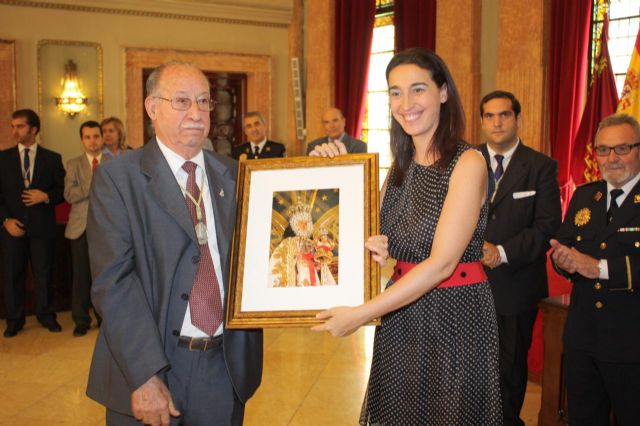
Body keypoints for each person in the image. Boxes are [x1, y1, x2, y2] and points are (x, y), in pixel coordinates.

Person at [312, 48, 502, 424]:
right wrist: (330, 174)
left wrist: (361, 315)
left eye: (418, 89)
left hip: (454, 317)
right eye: (395, 92)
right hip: (401, 316)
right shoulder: (399, 167)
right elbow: (360, 238)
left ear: (443, 92)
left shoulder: (468, 162)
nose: (405, 103)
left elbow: (442, 264)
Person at [86, 61, 263, 425]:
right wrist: (145, 375)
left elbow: (263, 256)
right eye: (182, 101)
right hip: (153, 364)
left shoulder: (233, 173)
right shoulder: (118, 178)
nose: (197, 113)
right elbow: (113, 284)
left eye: (204, 101)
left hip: (224, 366)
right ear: (153, 108)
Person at [478, 90, 561, 426]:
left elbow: (546, 227)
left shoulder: (540, 166)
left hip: (516, 286)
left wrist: (501, 252)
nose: (497, 122)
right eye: (490, 116)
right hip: (466, 282)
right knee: (468, 366)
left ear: (517, 118)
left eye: (505, 114)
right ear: (482, 121)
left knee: (509, 370)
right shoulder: (465, 161)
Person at [550, 113, 640, 426]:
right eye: (603, 150)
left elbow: (594, 264)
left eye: (622, 149)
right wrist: (560, 260)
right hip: (583, 338)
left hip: (631, 343)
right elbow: (562, 244)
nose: (611, 159)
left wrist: (597, 267)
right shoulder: (586, 195)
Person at [0, 109, 65, 338]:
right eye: (13, 126)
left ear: (33, 129)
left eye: (19, 126)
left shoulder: (52, 158)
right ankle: (14, 320)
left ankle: (47, 315)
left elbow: (61, 192)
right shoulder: (3, 158)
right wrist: (5, 220)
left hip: (42, 227)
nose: (14, 131)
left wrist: (45, 196)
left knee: (44, 274)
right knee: (12, 275)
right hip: (11, 228)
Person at [64, 120, 106, 337]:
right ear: (82, 140)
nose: (92, 141)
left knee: (105, 276)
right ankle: (81, 320)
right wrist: (94, 183)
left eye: (96, 136)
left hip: (108, 229)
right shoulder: (73, 164)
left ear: (102, 138)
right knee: (81, 276)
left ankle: (104, 318)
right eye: (87, 137)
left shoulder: (114, 161)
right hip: (79, 228)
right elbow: (69, 195)